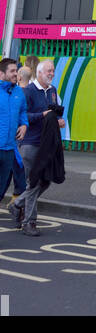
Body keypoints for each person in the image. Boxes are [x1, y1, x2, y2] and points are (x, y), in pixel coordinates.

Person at [11, 58, 65, 236]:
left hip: (46, 144)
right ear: (39, 72)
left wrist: (58, 121)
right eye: (48, 71)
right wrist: (42, 115)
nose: (51, 74)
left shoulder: (52, 91)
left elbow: (53, 113)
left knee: (46, 180)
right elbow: (22, 116)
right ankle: (29, 222)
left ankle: (17, 204)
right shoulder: (28, 92)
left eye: (53, 71)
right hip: (30, 143)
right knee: (33, 183)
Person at [0, 57, 27, 220]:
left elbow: (23, 111)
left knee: (1, 190)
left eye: (16, 71)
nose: (15, 74)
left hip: (10, 149)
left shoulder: (18, 92)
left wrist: (24, 125)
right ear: (1, 73)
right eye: (12, 71)